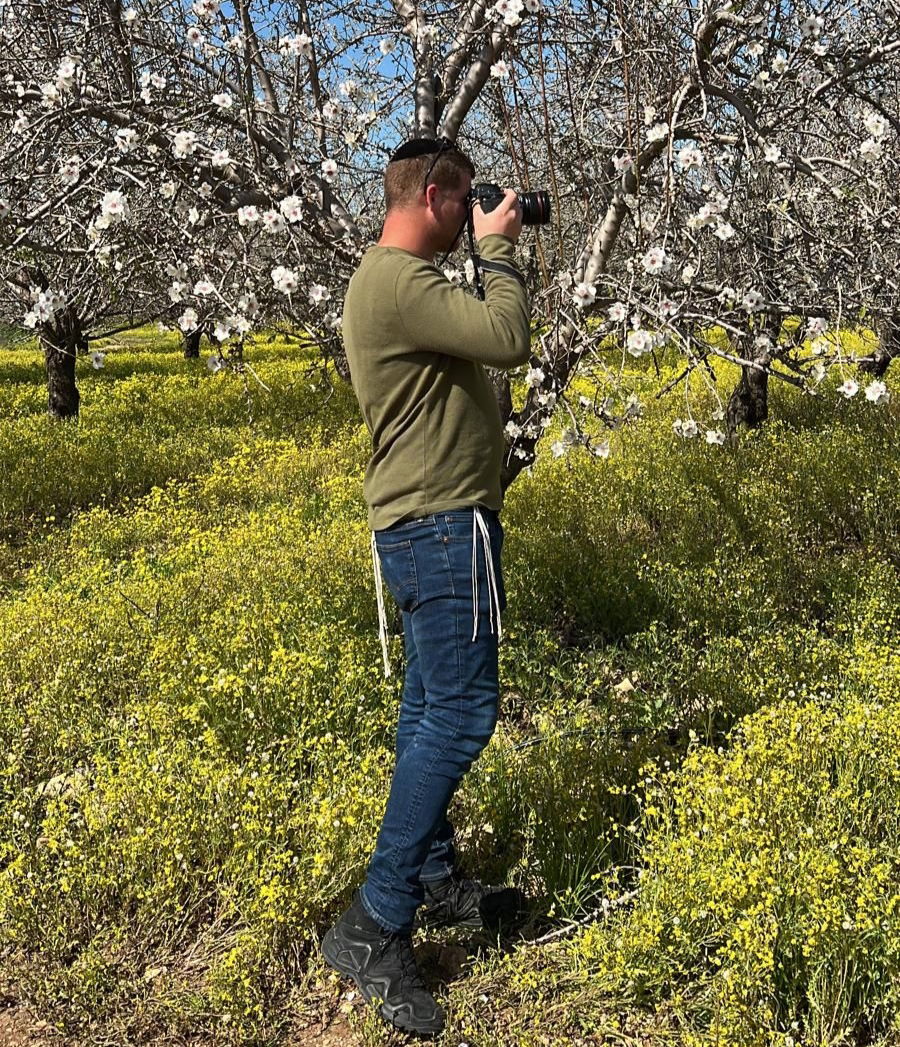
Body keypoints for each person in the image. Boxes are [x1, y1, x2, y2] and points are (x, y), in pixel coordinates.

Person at [322, 137, 531, 1037]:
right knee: (461, 715)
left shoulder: (388, 280)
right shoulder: (401, 281)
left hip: (426, 526)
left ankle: (433, 875)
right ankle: (374, 920)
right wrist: (502, 250)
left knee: (425, 711)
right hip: (442, 527)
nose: (472, 217)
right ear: (437, 193)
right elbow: (508, 339)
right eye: (467, 201)